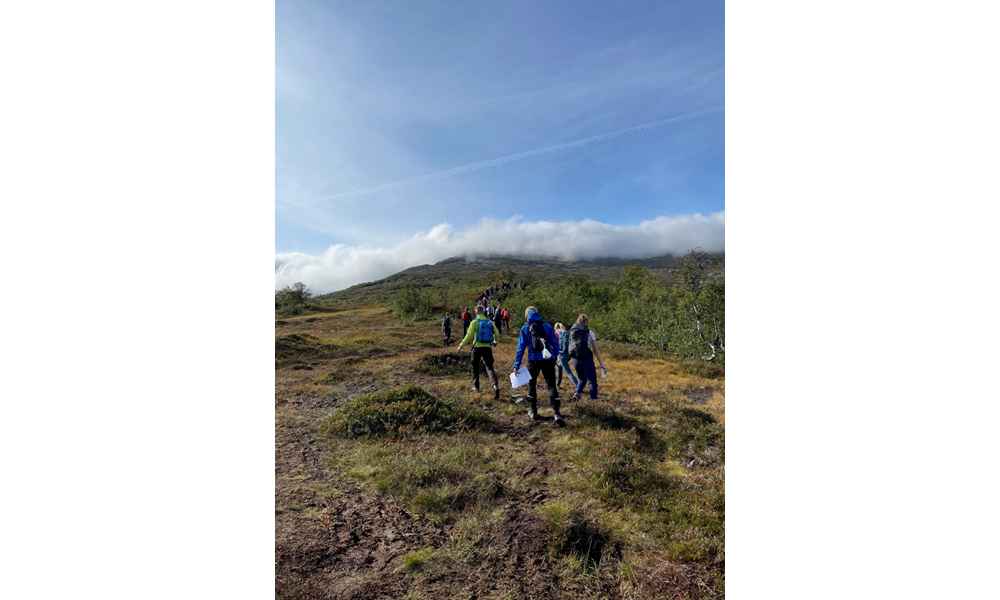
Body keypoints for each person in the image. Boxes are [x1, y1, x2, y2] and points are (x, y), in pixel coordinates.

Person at [513, 307, 564, 425]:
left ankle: (533, 410)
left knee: (532, 383)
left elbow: (520, 348)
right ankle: (556, 412)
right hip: (548, 359)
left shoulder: (525, 328)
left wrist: (516, 365)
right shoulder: (547, 326)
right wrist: (554, 356)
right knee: (551, 385)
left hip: (533, 360)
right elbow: (556, 344)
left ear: (527, 316)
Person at [458, 307, 502, 399]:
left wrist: (461, 346)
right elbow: (497, 333)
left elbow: (469, 335)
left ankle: (476, 387)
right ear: (484, 312)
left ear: (476, 312)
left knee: (475, 366)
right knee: (489, 367)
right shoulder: (489, 322)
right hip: (487, 347)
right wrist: (495, 342)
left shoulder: (474, 322)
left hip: (477, 347)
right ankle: (495, 386)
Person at [569, 314, 609, 402]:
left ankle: (577, 392)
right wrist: (601, 364)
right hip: (586, 359)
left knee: (582, 379)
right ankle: (593, 402)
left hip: (575, 359)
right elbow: (596, 350)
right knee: (592, 381)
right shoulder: (589, 333)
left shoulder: (572, 332)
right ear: (586, 322)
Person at [554, 323, 580, 389]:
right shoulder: (567, 334)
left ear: (556, 328)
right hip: (569, 354)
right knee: (559, 367)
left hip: (562, 355)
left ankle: (578, 386)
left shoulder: (556, 334)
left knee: (568, 372)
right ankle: (558, 384)